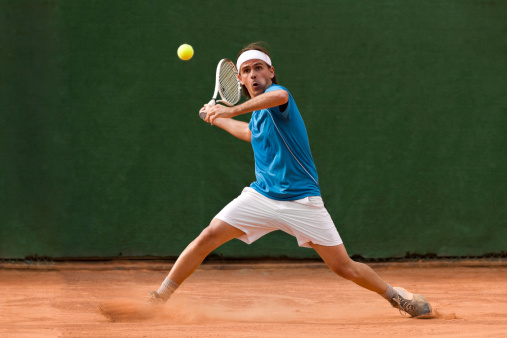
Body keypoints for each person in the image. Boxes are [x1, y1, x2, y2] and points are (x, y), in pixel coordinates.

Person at [147, 42, 432, 318]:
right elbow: (250, 134)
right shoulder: (257, 116)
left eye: (259, 68)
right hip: (261, 197)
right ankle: (159, 297)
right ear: (239, 79)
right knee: (207, 237)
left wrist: (229, 110)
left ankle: (397, 297)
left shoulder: (279, 96)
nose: (253, 74)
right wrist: (216, 118)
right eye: (246, 71)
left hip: (302, 201)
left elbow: (278, 98)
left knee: (345, 267)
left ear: (271, 72)